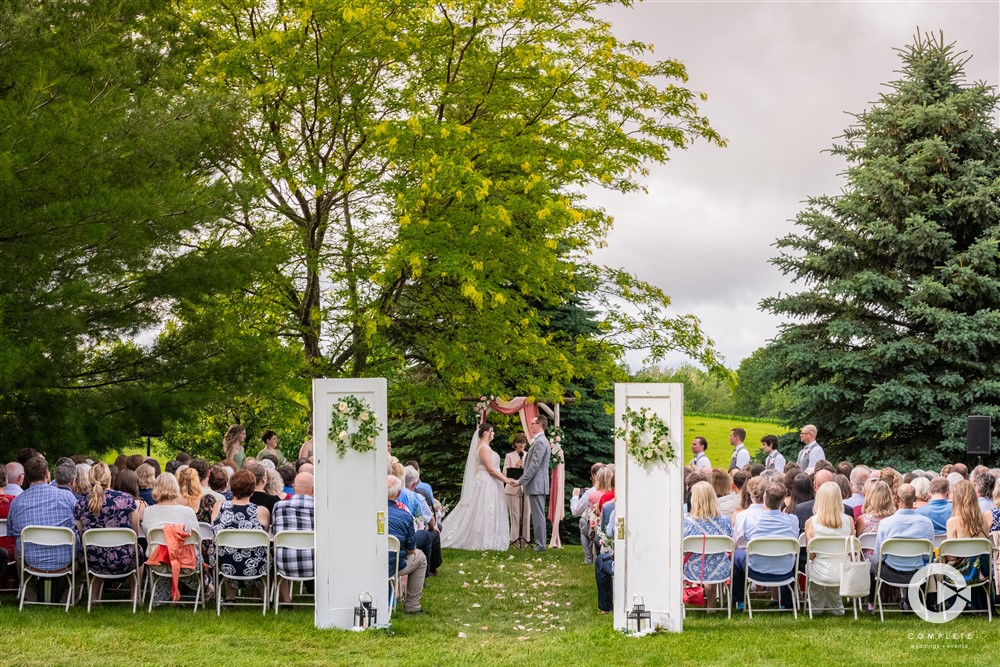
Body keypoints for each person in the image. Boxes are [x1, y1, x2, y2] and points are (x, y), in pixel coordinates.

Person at [441, 423, 516, 550]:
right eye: (492, 431)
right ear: (485, 433)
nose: (494, 433)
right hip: (487, 482)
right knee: (483, 510)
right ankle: (482, 539)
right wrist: (507, 480)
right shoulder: (483, 449)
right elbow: (491, 469)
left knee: (487, 509)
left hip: (493, 482)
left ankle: (492, 538)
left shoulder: (486, 447)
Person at [74, 462, 140, 600]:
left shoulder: (81, 503)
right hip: (124, 559)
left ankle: (94, 597)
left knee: (94, 549)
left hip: (93, 559)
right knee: (138, 550)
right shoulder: (126, 499)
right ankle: (135, 597)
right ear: (110, 479)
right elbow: (135, 531)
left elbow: (81, 533)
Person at [733, 481, 799, 610]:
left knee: (736, 555)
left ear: (764, 498)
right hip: (783, 569)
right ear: (783, 501)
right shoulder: (792, 520)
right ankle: (785, 602)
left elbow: (740, 543)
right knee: (786, 555)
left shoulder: (750, 521)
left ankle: (739, 600)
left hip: (756, 569)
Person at [210, 469, 270, 603]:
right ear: (253, 488)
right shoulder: (261, 511)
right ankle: (265, 599)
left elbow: (213, 528)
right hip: (255, 565)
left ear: (231, 486)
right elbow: (265, 534)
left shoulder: (219, 507)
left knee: (227, 549)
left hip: (224, 563)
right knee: (254, 550)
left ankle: (230, 597)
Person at [804, 481, 854, 615]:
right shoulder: (849, 521)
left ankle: (816, 606)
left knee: (810, 564)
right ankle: (836, 607)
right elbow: (851, 552)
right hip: (844, 570)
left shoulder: (811, 523)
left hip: (821, 571)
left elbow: (811, 554)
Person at [683, 481, 733, 609]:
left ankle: (695, 596)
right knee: (713, 559)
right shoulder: (726, 521)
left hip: (693, 571)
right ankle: (711, 604)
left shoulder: (686, 522)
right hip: (720, 569)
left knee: (702, 560)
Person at [271, 472, 315, 604]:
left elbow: (274, 532)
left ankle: (286, 599)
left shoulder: (278, 506)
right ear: (313, 490)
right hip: (315, 563)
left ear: (294, 487)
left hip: (284, 563)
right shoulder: (320, 509)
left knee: (276, 550)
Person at [387, 475, 427, 614]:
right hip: (392, 566)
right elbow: (411, 548)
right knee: (420, 557)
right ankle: (412, 605)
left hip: (368, 562)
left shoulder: (369, 512)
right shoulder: (404, 515)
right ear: (398, 493)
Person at [521, 415, 552, 552]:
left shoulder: (540, 442)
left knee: (538, 515)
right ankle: (540, 544)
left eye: (532, 423)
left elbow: (534, 465)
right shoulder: (541, 440)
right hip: (538, 484)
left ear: (539, 424)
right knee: (537, 514)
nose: (531, 425)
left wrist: (521, 480)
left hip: (537, 484)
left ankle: (540, 545)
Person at [571, 463, 604, 564]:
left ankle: (588, 558)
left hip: (595, 528)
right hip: (605, 526)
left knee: (582, 522)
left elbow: (575, 512)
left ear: (594, 476)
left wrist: (575, 496)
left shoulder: (590, 493)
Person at [502, 433, 530, 545]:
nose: (521, 444)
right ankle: (514, 541)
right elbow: (504, 473)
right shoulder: (509, 456)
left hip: (526, 489)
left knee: (527, 516)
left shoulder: (529, 455)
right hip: (512, 489)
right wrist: (516, 466)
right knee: (515, 516)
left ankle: (526, 542)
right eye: (519, 442)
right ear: (515, 444)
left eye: (523, 442)